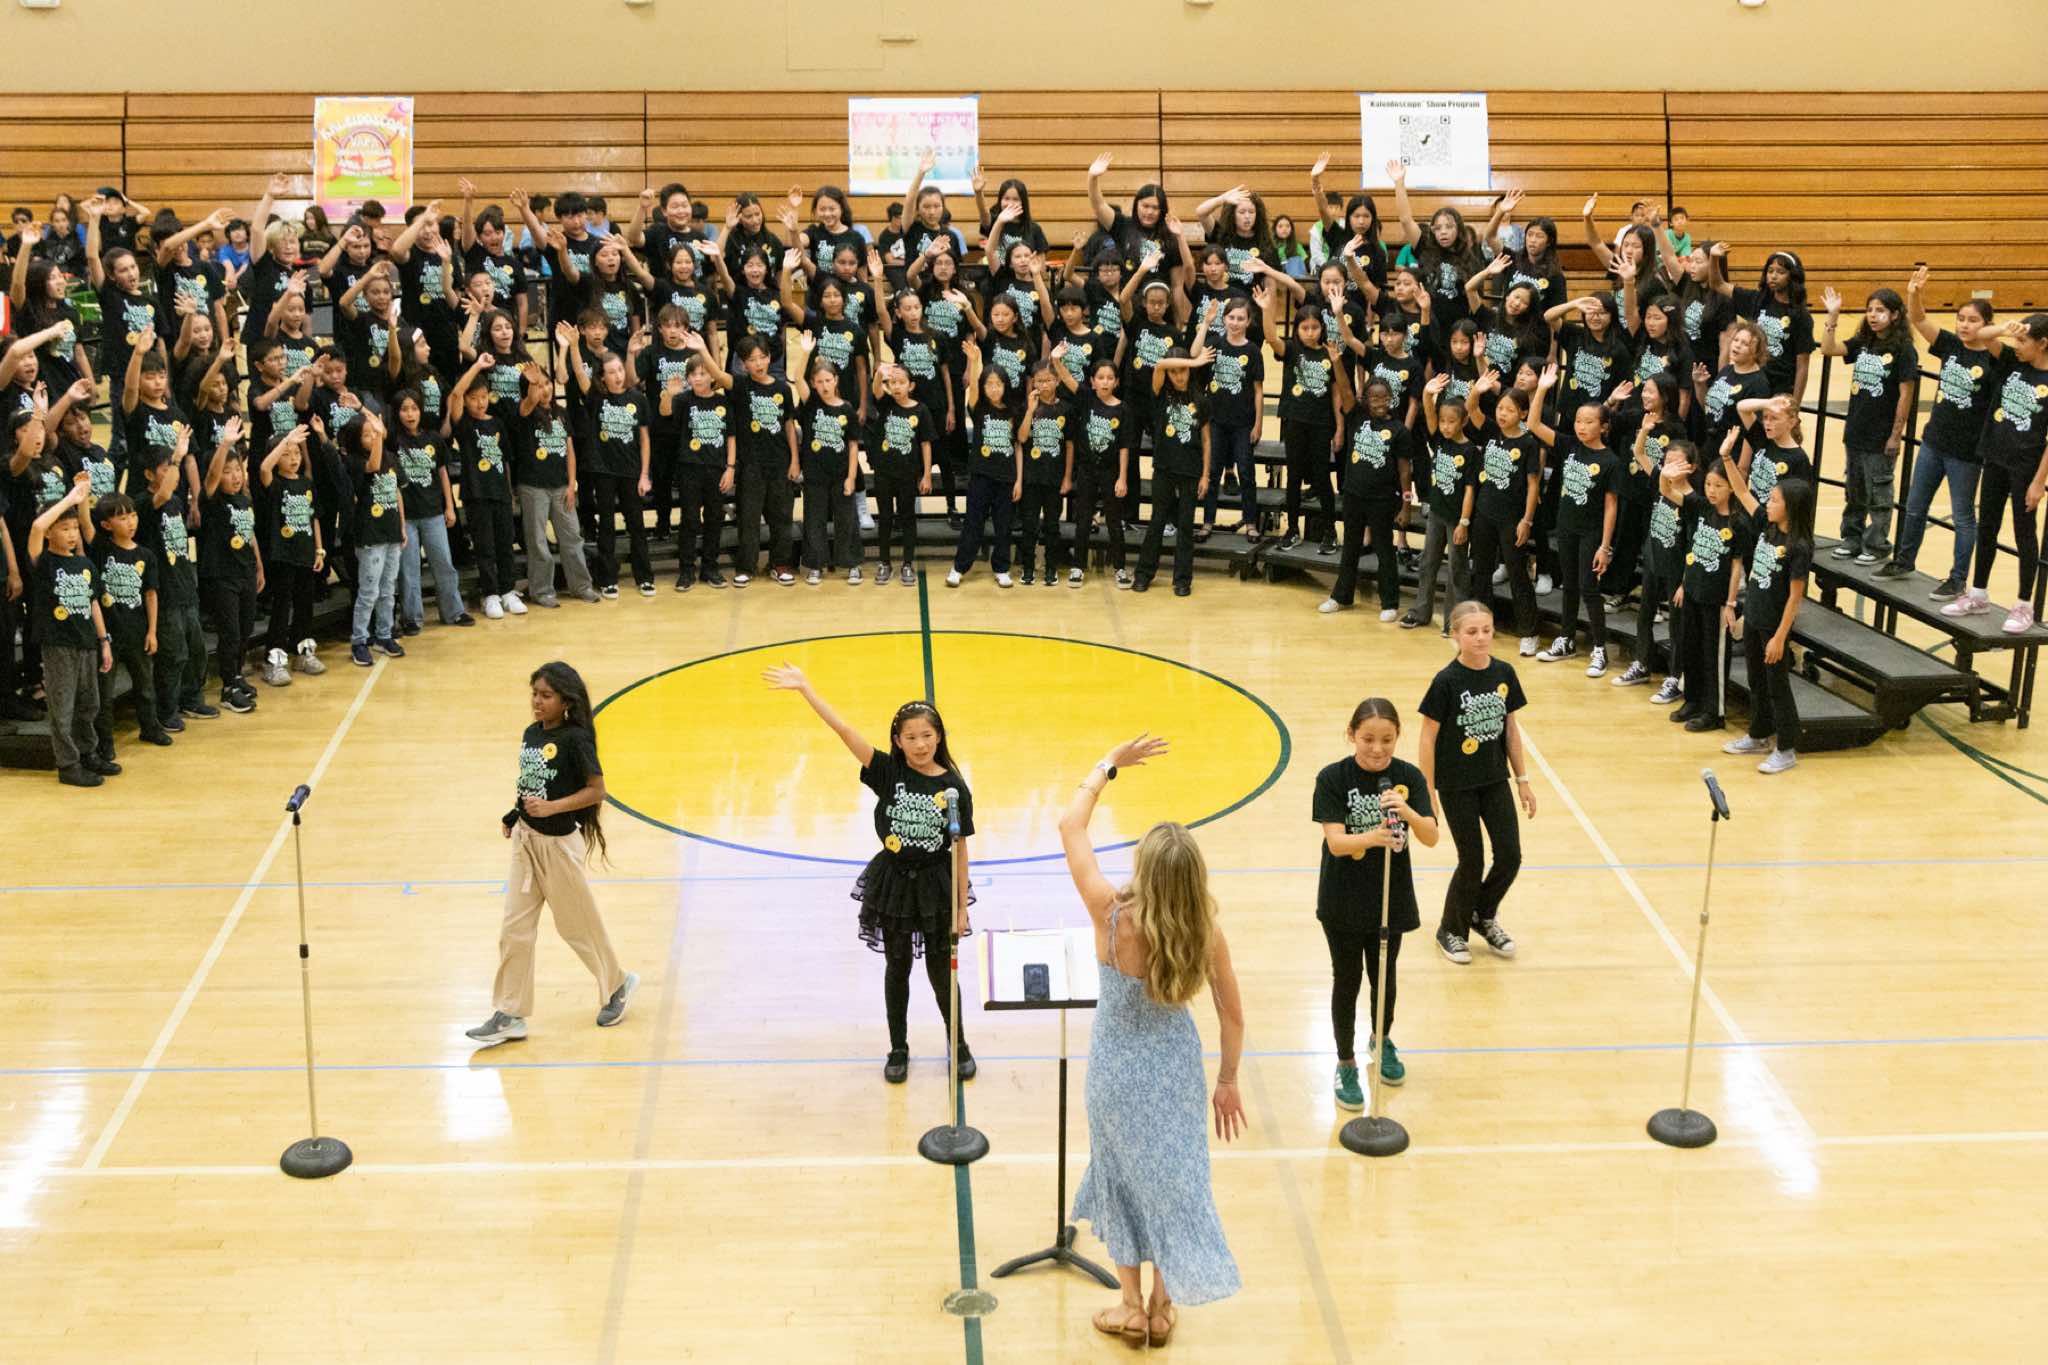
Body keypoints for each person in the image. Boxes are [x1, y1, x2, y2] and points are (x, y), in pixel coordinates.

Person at [1059, 734, 1243, 1348]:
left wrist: (1108, 765)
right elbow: (1232, 1016)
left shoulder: (1110, 913)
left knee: (1120, 1177)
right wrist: (1227, 1081)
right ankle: (1163, 1309)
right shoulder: (1204, 930)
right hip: (1174, 1071)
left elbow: (1070, 826)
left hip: (1114, 1073)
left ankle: (1131, 1307)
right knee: (1172, 1182)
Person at [764, 664, 975, 1084]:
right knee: (897, 968)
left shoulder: (953, 787)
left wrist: (961, 905)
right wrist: (807, 689)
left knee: (941, 974)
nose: (920, 744)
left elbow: (961, 847)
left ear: (939, 737)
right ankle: (898, 1047)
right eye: (911, 737)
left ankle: (959, 1043)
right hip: (894, 883)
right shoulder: (888, 772)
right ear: (897, 740)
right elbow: (844, 731)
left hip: (934, 886)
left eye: (927, 735)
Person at [468, 661, 637, 1047]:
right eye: (534, 694)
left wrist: (553, 808)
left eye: (546, 695)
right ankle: (510, 1013)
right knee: (514, 929)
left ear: (566, 701)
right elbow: (531, 784)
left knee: (577, 927)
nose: (537, 702)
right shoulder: (531, 734)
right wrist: (516, 814)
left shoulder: (576, 739)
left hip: (558, 847)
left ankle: (617, 984)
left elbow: (597, 791)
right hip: (525, 843)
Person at [1315, 698, 1439, 1106]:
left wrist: (1408, 812)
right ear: (1352, 734)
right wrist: (1374, 837)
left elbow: (1431, 835)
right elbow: (1336, 842)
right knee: (1347, 979)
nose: (1377, 749)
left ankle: (1381, 1039)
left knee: (1384, 977)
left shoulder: (1407, 778)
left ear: (1397, 737)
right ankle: (1345, 1062)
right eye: (1368, 739)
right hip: (1343, 898)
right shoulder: (1333, 778)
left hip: (1390, 896)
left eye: (1387, 739)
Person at [1420, 600, 1536, 964]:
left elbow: (1511, 730)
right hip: (1456, 784)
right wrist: (1427, 792)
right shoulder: (1446, 681)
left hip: (1494, 779)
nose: (1481, 637)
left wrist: (1523, 779)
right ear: (1455, 635)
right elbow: (1427, 738)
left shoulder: (1504, 673)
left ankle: (1481, 914)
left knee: (1510, 856)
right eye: (1472, 632)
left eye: (1486, 630)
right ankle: (1450, 929)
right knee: (1471, 860)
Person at [1883, 269, 1999, 597]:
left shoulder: (1995, 360)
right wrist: (1914, 293)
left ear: (1987, 324)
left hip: (1966, 452)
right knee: (1914, 505)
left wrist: (1995, 332)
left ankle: (1958, 578)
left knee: (1963, 517)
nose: (1964, 325)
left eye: (1973, 320)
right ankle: (1904, 560)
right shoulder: (1950, 345)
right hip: (1934, 442)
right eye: (1961, 319)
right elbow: (1919, 319)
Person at [1944, 314, 2048, 632]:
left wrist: (2038, 482)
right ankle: (1978, 594)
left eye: (2023, 341)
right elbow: (1982, 335)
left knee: (2024, 533)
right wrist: (2006, 328)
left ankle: (2024, 604)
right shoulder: (2012, 362)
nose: (2017, 345)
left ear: (2043, 344)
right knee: (1987, 526)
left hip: (2025, 466)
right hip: (1995, 457)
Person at [1723, 470, 1815, 775]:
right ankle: (1758, 735)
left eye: (1775, 500)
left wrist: (1779, 637)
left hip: (1773, 626)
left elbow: (1795, 598)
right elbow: (1742, 492)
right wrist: (1727, 458)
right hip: (1754, 617)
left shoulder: (1798, 546)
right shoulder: (1767, 525)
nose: (1768, 504)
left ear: (1791, 507)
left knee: (1778, 687)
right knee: (1756, 681)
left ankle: (1786, 749)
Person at [1819, 287, 1916, 567]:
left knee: (1879, 494)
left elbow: (1906, 395)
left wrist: (1896, 435)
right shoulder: (1864, 342)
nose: (1873, 315)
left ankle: (1876, 545)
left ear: (1895, 315)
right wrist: (1833, 316)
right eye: (1870, 309)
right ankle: (1851, 538)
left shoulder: (1903, 350)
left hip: (1881, 435)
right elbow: (1828, 348)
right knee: (1855, 490)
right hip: (1856, 430)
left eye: (1880, 310)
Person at [29, 473, 113, 787]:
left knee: (89, 704)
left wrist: (104, 640)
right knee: (62, 707)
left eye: (75, 528)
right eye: (64, 528)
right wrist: (71, 499)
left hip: (86, 642)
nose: (72, 534)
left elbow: (93, 603)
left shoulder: (85, 565)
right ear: (51, 532)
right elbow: (36, 527)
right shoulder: (44, 562)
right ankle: (68, 764)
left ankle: (88, 753)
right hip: (58, 644)